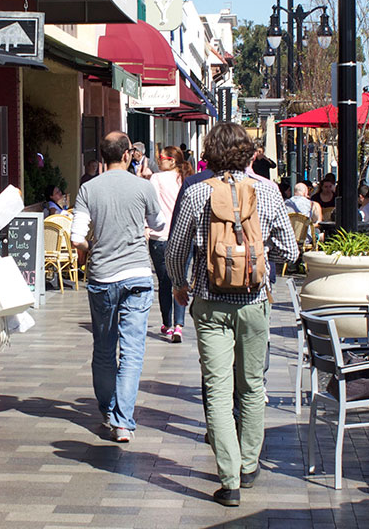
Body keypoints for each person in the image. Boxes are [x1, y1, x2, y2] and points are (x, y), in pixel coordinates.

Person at [166, 122, 298, 507]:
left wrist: (179, 282)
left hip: (210, 302)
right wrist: (258, 259)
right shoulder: (269, 193)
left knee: (219, 390)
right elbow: (289, 251)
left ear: (210, 152)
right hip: (255, 302)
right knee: (254, 386)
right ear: (249, 153)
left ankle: (229, 480)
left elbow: (176, 251)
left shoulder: (196, 192)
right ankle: (250, 464)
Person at [74, 131, 165, 443]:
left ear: (102, 157)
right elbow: (159, 223)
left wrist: (92, 244)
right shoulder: (142, 186)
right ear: (128, 154)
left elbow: (76, 237)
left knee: (103, 347)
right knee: (132, 350)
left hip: (102, 276)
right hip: (137, 273)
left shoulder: (88, 188)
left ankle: (106, 409)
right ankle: (123, 421)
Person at [149, 145, 192, 343]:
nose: (159, 161)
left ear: (172, 160)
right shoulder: (187, 179)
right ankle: (179, 325)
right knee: (180, 279)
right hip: (184, 236)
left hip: (160, 235)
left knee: (165, 282)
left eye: (161, 158)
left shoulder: (157, 179)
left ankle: (167, 323)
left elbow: (150, 205)